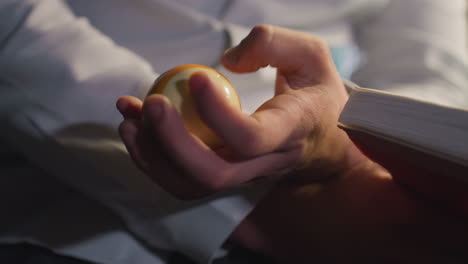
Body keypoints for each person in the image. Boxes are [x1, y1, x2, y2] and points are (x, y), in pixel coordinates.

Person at [0, 0, 466, 263]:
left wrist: (342, 137)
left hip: (356, 178)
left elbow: (435, 72)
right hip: (70, 198)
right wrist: (266, 212)